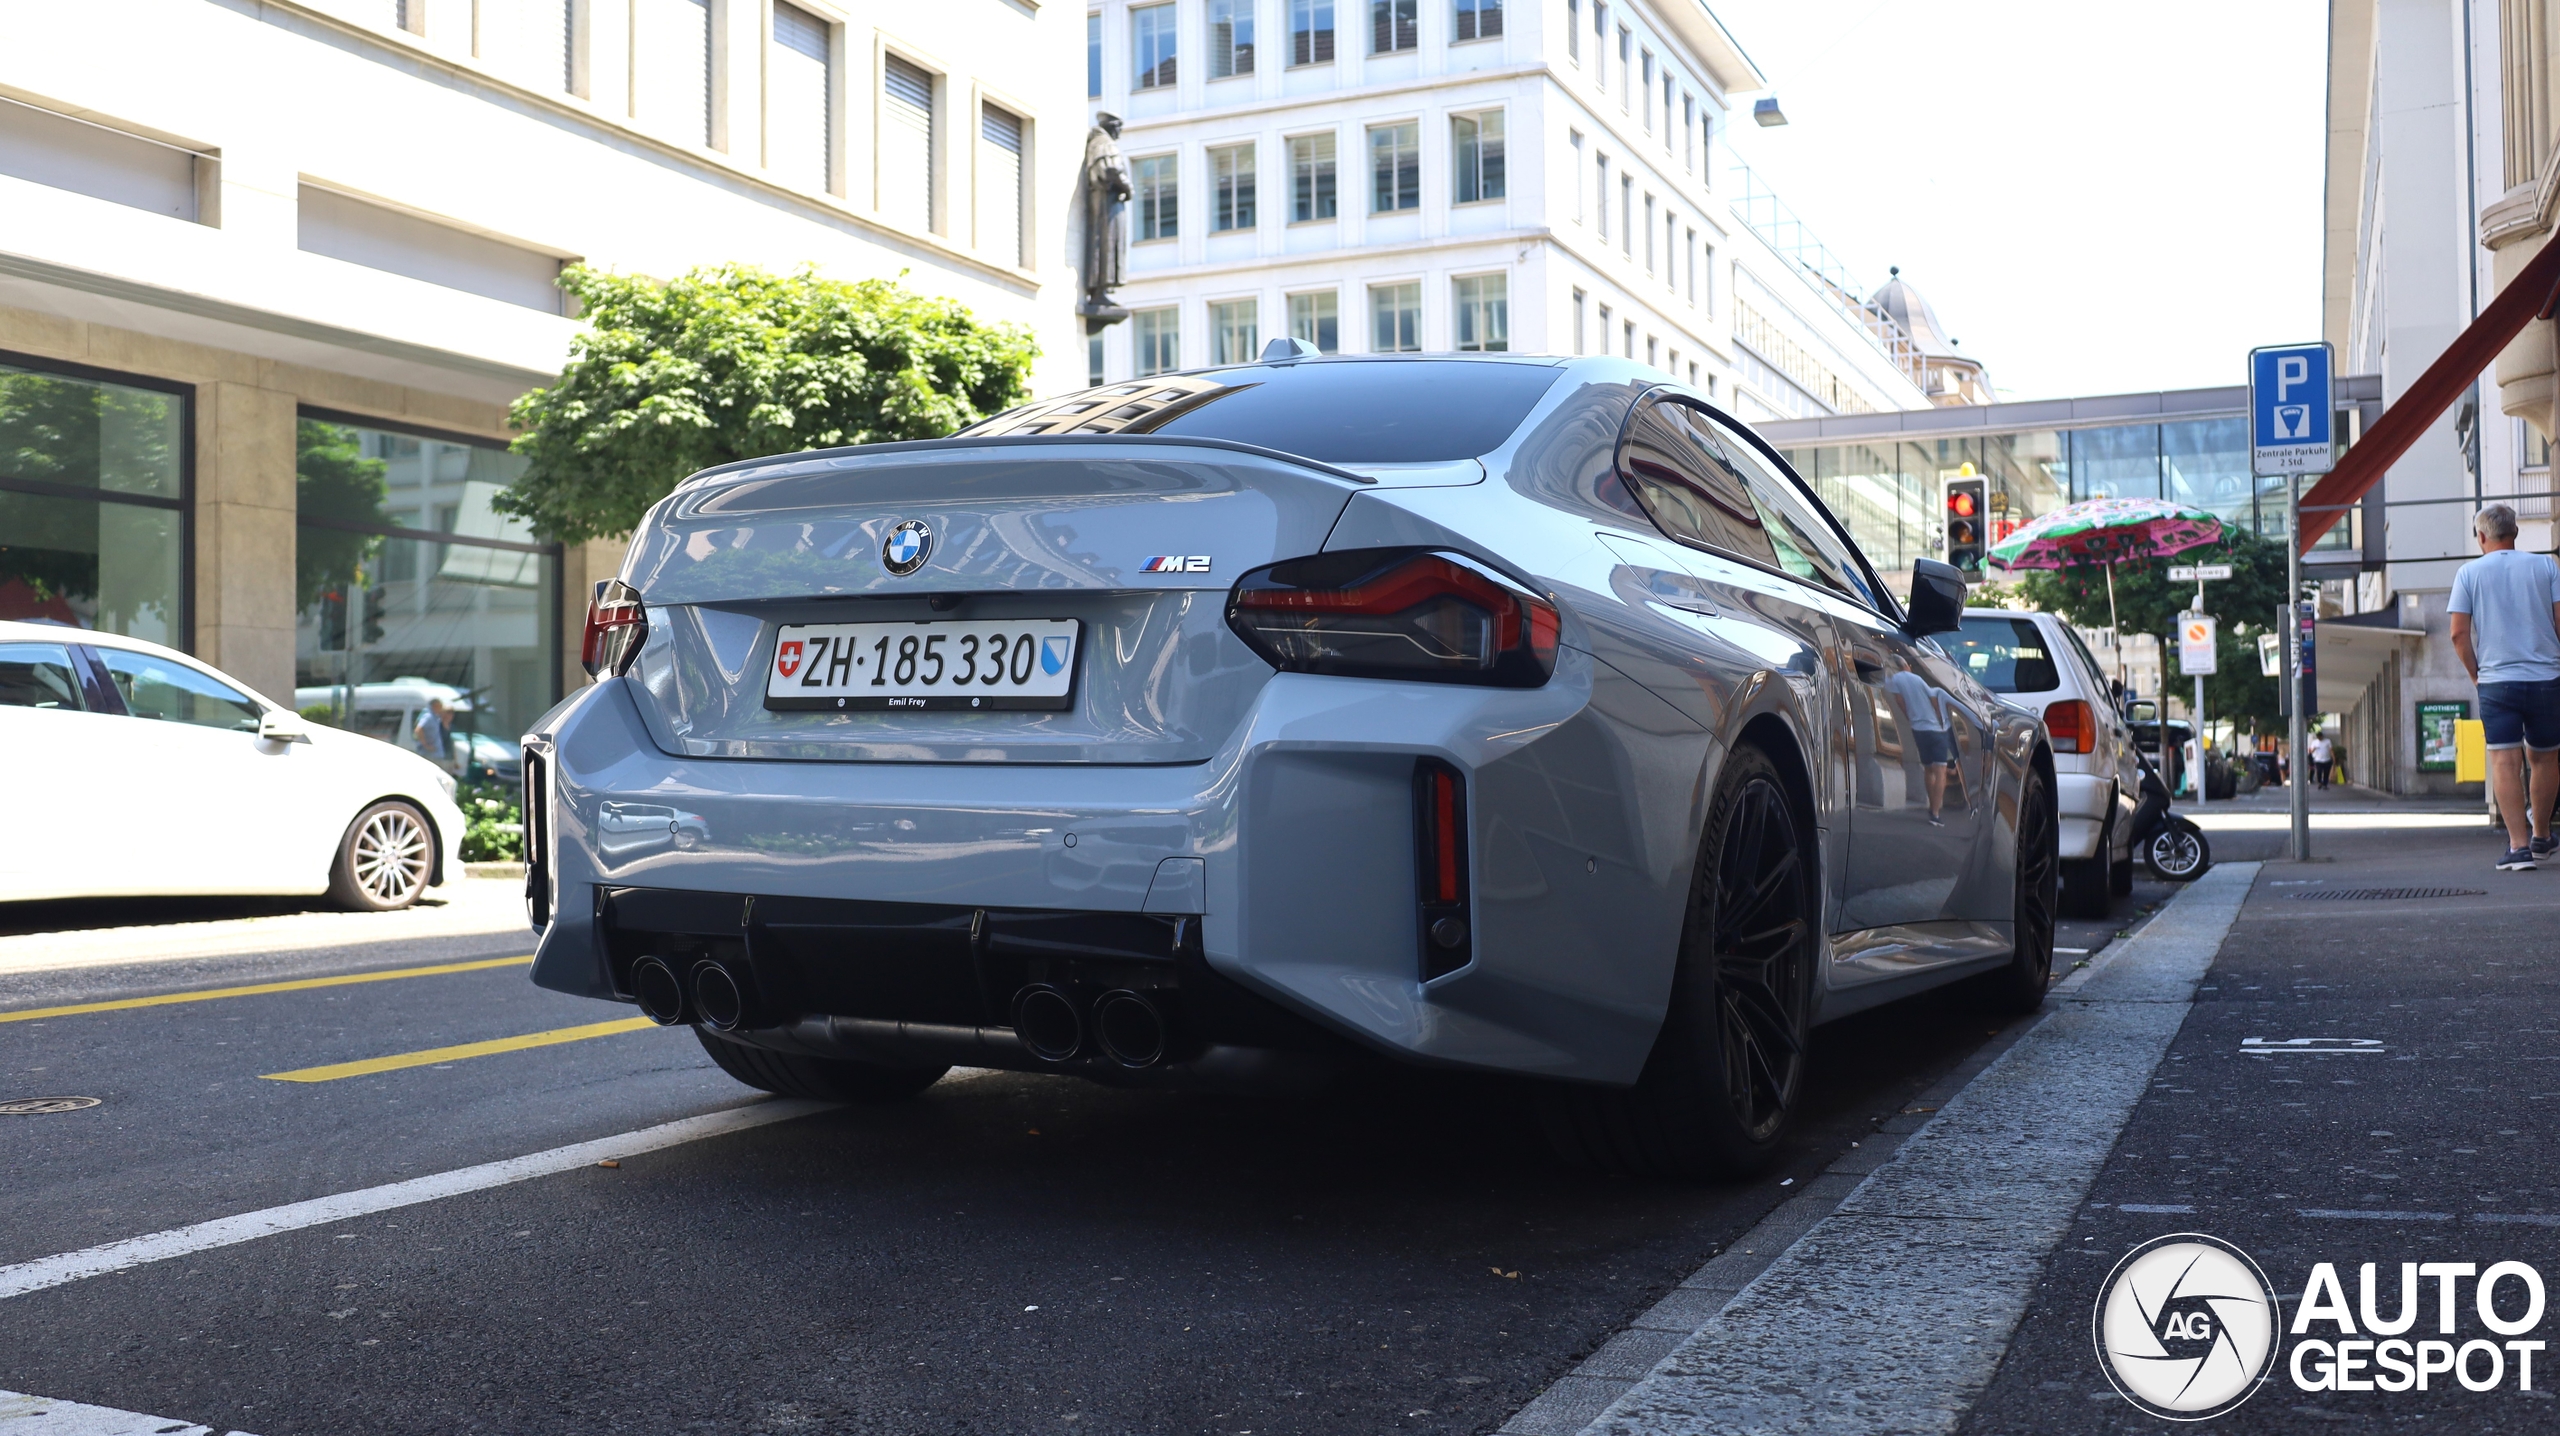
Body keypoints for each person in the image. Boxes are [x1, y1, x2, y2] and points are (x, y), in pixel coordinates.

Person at [2447, 502, 2560, 871]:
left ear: (2481, 536)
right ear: (2515, 532)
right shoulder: (2546, 566)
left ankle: (2518, 847)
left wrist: (2476, 674)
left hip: (2497, 682)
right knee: (2544, 759)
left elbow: (2458, 633)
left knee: (2504, 761)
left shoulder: (2468, 573)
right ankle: (2542, 836)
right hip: (2546, 678)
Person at [1884, 663, 1954, 826]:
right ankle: (1935, 814)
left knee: (1928, 768)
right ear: (1907, 665)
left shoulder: (1894, 680)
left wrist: (1910, 717)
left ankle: (1932, 806)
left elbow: (1900, 701)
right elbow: (1934, 700)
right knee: (1941, 770)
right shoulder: (1918, 679)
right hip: (1935, 729)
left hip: (1918, 729)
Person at [414, 697, 459, 774]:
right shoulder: (428, 716)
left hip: (439, 756)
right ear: (435, 706)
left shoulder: (435, 718)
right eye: (440, 707)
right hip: (432, 755)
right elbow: (418, 729)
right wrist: (425, 745)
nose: (441, 709)